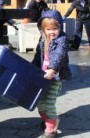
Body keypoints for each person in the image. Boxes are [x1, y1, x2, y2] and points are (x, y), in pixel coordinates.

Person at [32, 9, 72, 138]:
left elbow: (60, 55)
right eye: (48, 29)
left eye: (55, 28)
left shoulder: (63, 39)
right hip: (43, 76)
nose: (52, 32)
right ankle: (47, 120)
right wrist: (32, 67)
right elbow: (38, 55)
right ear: (43, 29)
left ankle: (51, 128)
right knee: (39, 102)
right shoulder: (43, 39)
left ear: (59, 26)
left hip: (55, 77)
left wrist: (53, 69)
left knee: (49, 102)